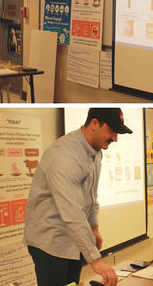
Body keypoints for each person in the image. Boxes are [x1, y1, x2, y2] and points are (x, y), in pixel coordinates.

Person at [24, 108, 134, 286]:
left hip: (72, 241)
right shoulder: (64, 157)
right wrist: (96, 260)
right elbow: (72, 212)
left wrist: (94, 228)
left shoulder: (96, 152)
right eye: (112, 131)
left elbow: (90, 196)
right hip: (50, 242)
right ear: (94, 124)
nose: (115, 138)